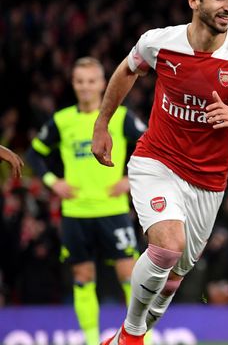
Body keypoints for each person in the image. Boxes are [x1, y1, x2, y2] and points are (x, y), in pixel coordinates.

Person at [91, 0, 228, 345]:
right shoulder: (159, 42)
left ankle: (125, 337)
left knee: (174, 277)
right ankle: (130, 336)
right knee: (166, 246)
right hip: (157, 159)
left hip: (208, 183)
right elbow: (128, 70)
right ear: (193, 1)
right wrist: (102, 124)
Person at [26, 57, 146, 345]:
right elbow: (34, 154)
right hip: (75, 212)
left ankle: (142, 339)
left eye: (92, 81)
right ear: (73, 84)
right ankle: (92, 341)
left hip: (112, 210)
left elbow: (151, 145)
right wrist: (54, 183)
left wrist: (131, 179)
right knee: (82, 276)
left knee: (131, 276)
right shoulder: (62, 120)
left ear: (103, 84)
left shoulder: (120, 116)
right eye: (80, 81)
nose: (86, 87)